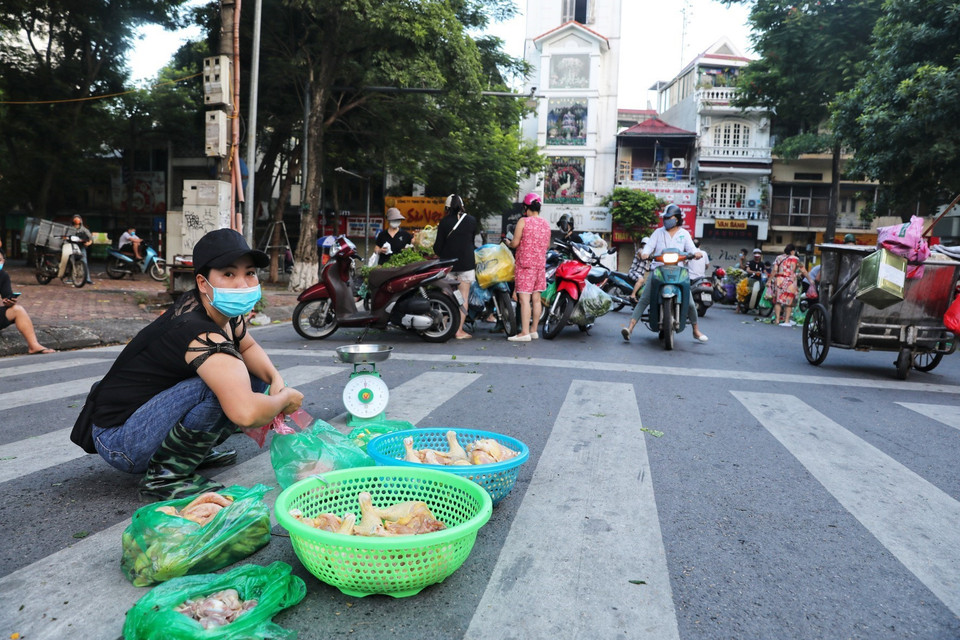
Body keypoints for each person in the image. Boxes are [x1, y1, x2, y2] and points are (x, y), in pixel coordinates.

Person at [87, 228, 304, 501]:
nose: (243, 284)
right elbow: (246, 414)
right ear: (203, 282)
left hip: (146, 417)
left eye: (249, 273)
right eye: (228, 274)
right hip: (121, 440)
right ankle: (166, 476)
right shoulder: (198, 330)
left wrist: (275, 378)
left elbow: (247, 346)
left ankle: (188, 452)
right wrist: (284, 399)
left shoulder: (222, 310)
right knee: (216, 388)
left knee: (247, 374)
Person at [620, 205, 708, 343]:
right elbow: (649, 247)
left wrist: (696, 253)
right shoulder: (658, 233)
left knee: (690, 302)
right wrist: (645, 253)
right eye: (664, 218)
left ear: (677, 219)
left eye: (669, 218)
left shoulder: (684, 234)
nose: (666, 220)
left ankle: (695, 330)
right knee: (644, 299)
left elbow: (691, 248)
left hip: (678, 270)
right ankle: (630, 328)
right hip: (659, 270)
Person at [506, 193, 551, 342]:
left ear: (526, 207)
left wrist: (508, 242)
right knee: (536, 299)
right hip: (540, 265)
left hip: (525, 265)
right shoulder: (545, 223)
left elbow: (515, 243)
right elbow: (547, 245)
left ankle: (524, 332)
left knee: (524, 299)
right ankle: (533, 331)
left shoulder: (523, 221)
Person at [433, 194, 479, 340]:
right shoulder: (471, 221)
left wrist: (440, 254)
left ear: (447, 208)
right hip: (466, 264)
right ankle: (459, 331)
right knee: (463, 297)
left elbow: (438, 247)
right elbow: (471, 241)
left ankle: (446, 328)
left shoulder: (444, 222)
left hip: (448, 266)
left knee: (446, 296)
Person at [0, 254, 55, 354]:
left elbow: (7, 296)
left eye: (0, 260)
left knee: (18, 310)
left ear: (3, 261)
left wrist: (10, 301)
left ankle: (34, 345)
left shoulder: (3, 276)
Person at [767, 243, 808, 327]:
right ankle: (786, 320)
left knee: (778, 301)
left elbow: (774, 270)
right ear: (793, 251)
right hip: (790, 281)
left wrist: (769, 280)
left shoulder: (779, 257)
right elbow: (803, 270)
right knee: (788, 302)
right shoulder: (795, 258)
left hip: (779, 280)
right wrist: (810, 280)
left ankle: (777, 320)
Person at [71, 215, 94, 284]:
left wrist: (89, 242)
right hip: (72, 247)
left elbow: (91, 238)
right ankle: (70, 278)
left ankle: (87, 279)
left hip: (81, 247)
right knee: (71, 262)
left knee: (84, 262)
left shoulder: (84, 229)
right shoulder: (70, 229)